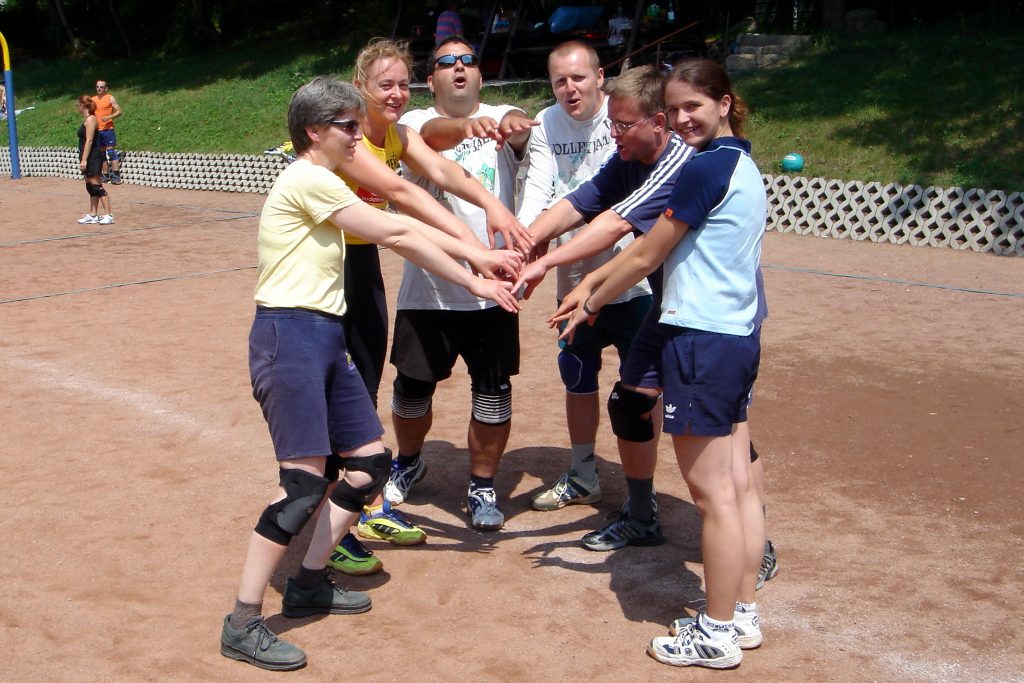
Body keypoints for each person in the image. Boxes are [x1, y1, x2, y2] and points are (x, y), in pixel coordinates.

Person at [219, 76, 521, 671]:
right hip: (290, 336)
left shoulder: (328, 180)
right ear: (314, 132)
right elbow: (399, 229)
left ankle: (309, 582)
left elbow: (403, 232)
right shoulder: (307, 178)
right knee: (301, 485)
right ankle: (243, 620)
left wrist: (476, 271)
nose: (360, 136)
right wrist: (477, 264)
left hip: (324, 335)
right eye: (348, 126)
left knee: (367, 465)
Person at [555, 58, 767, 670]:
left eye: (692, 106)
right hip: (733, 336)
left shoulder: (704, 168)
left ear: (723, 103)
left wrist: (589, 298)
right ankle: (742, 612)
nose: (681, 119)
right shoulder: (742, 164)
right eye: (673, 110)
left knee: (713, 496)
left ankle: (717, 631)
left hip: (699, 338)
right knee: (735, 486)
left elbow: (647, 252)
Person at [326, 38, 528, 573]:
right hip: (325, 272)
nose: (395, 93)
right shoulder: (348, 138)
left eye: (401, 84)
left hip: (362, 269)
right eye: (384, 84)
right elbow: (405, 200)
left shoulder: (396, 135)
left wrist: (492, 210)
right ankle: (332, 525)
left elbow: (444, 174)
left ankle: (363, 510)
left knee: (362, 392)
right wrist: (476, 252)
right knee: (344, 395)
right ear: (360, 87)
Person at [515, 64, 692, 548]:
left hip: (702, 317)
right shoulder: (629, 156)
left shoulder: (676, 162)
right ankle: (641, 516)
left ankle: (753, 538)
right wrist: (524, 243)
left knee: (714, 428)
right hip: (668, 306)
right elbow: (583, 200)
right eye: (611, 123)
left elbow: (617, 226)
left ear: (659, 122)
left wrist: (547, 263)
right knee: (630, 402)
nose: (613, 133)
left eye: (623, 124)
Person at [383, 37, 537, 531]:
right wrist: (466, 127)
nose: (459, 67)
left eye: (468, 60)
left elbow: (520, 127)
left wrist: (514, 127)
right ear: (431, 80)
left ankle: (482, 484)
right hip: (428, 288)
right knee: (411, 392)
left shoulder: (501, 114)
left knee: (493, 391)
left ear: (480, 75)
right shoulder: (412, 122)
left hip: (495, 287)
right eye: (446, 62)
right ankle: (408, 461)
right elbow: (434, 135)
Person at [517, 41, 654, 512]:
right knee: (577, 375)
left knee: (643, 386)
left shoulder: (625, 118)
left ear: (600, 77)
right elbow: (541, 191)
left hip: (633, 278)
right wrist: (524, 244)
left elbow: (614, 212)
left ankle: (643, 490)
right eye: (560, 80)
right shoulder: (546, 123)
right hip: (573, 275)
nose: (569, 88)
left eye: (578, 77)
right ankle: (582, 474)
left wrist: (540, 253)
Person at [75, 95, 114, 225]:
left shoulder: (91, 119)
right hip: (86, 154)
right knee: (90, 185)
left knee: (96, 185)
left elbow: (90, 140)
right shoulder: (86, 120)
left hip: (93, 156)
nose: (77, 108)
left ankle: (108, 214)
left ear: (83, 106)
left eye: (77, 105)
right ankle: (93, 214)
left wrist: (84, 160)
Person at [91, 79, 123, 184]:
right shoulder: (93, 99)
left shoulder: (110, 98)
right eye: (97, 87)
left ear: (106, 88)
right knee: (101, 153)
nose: (99, 89)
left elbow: (119, 111)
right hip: (97, 130)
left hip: (108, 129)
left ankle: (116, 176)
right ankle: (105, 175)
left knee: (111, 152)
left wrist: (109, 117)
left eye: (101, 87)